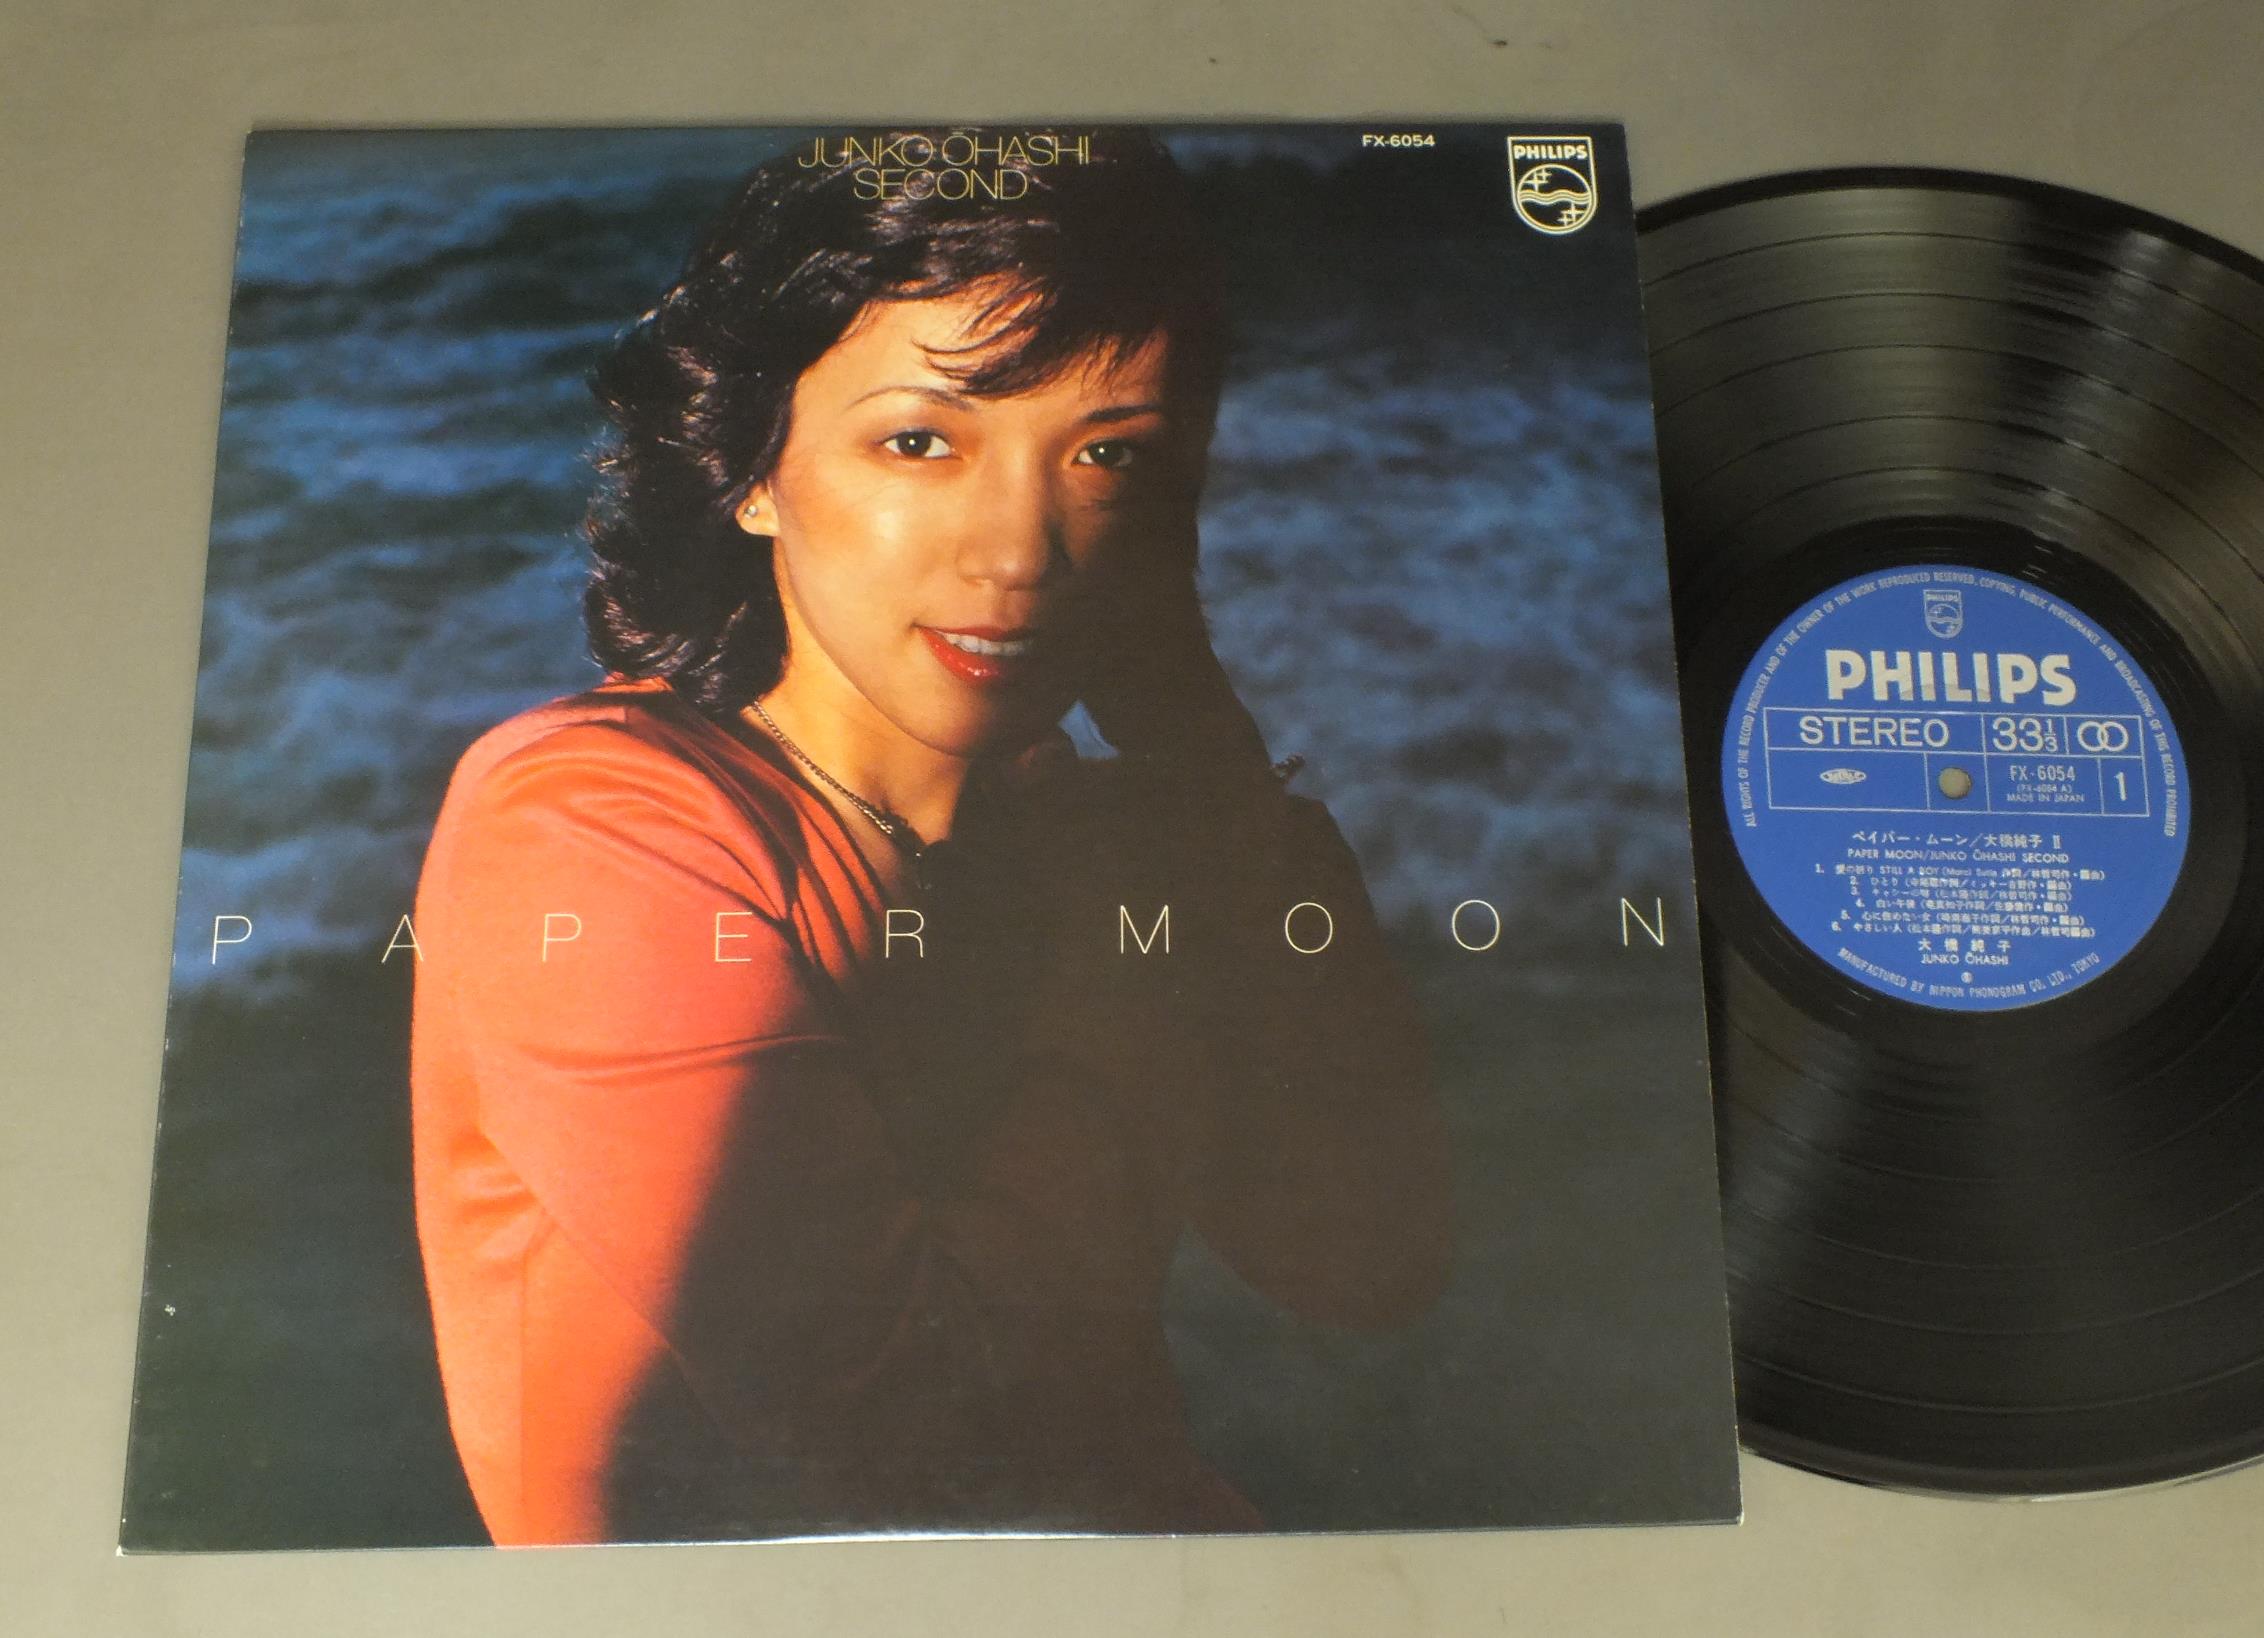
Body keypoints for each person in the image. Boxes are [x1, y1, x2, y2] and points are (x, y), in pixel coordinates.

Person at [409, 128, 1453, 1546]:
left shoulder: (1096, 826)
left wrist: (1198, 742)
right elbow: (907, 1434)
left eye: (1108, 454)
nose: (1019, 550)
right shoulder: (593, 822)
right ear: (752, 465)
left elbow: (1368, 1259)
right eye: (921, 441)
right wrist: (1139, 945)